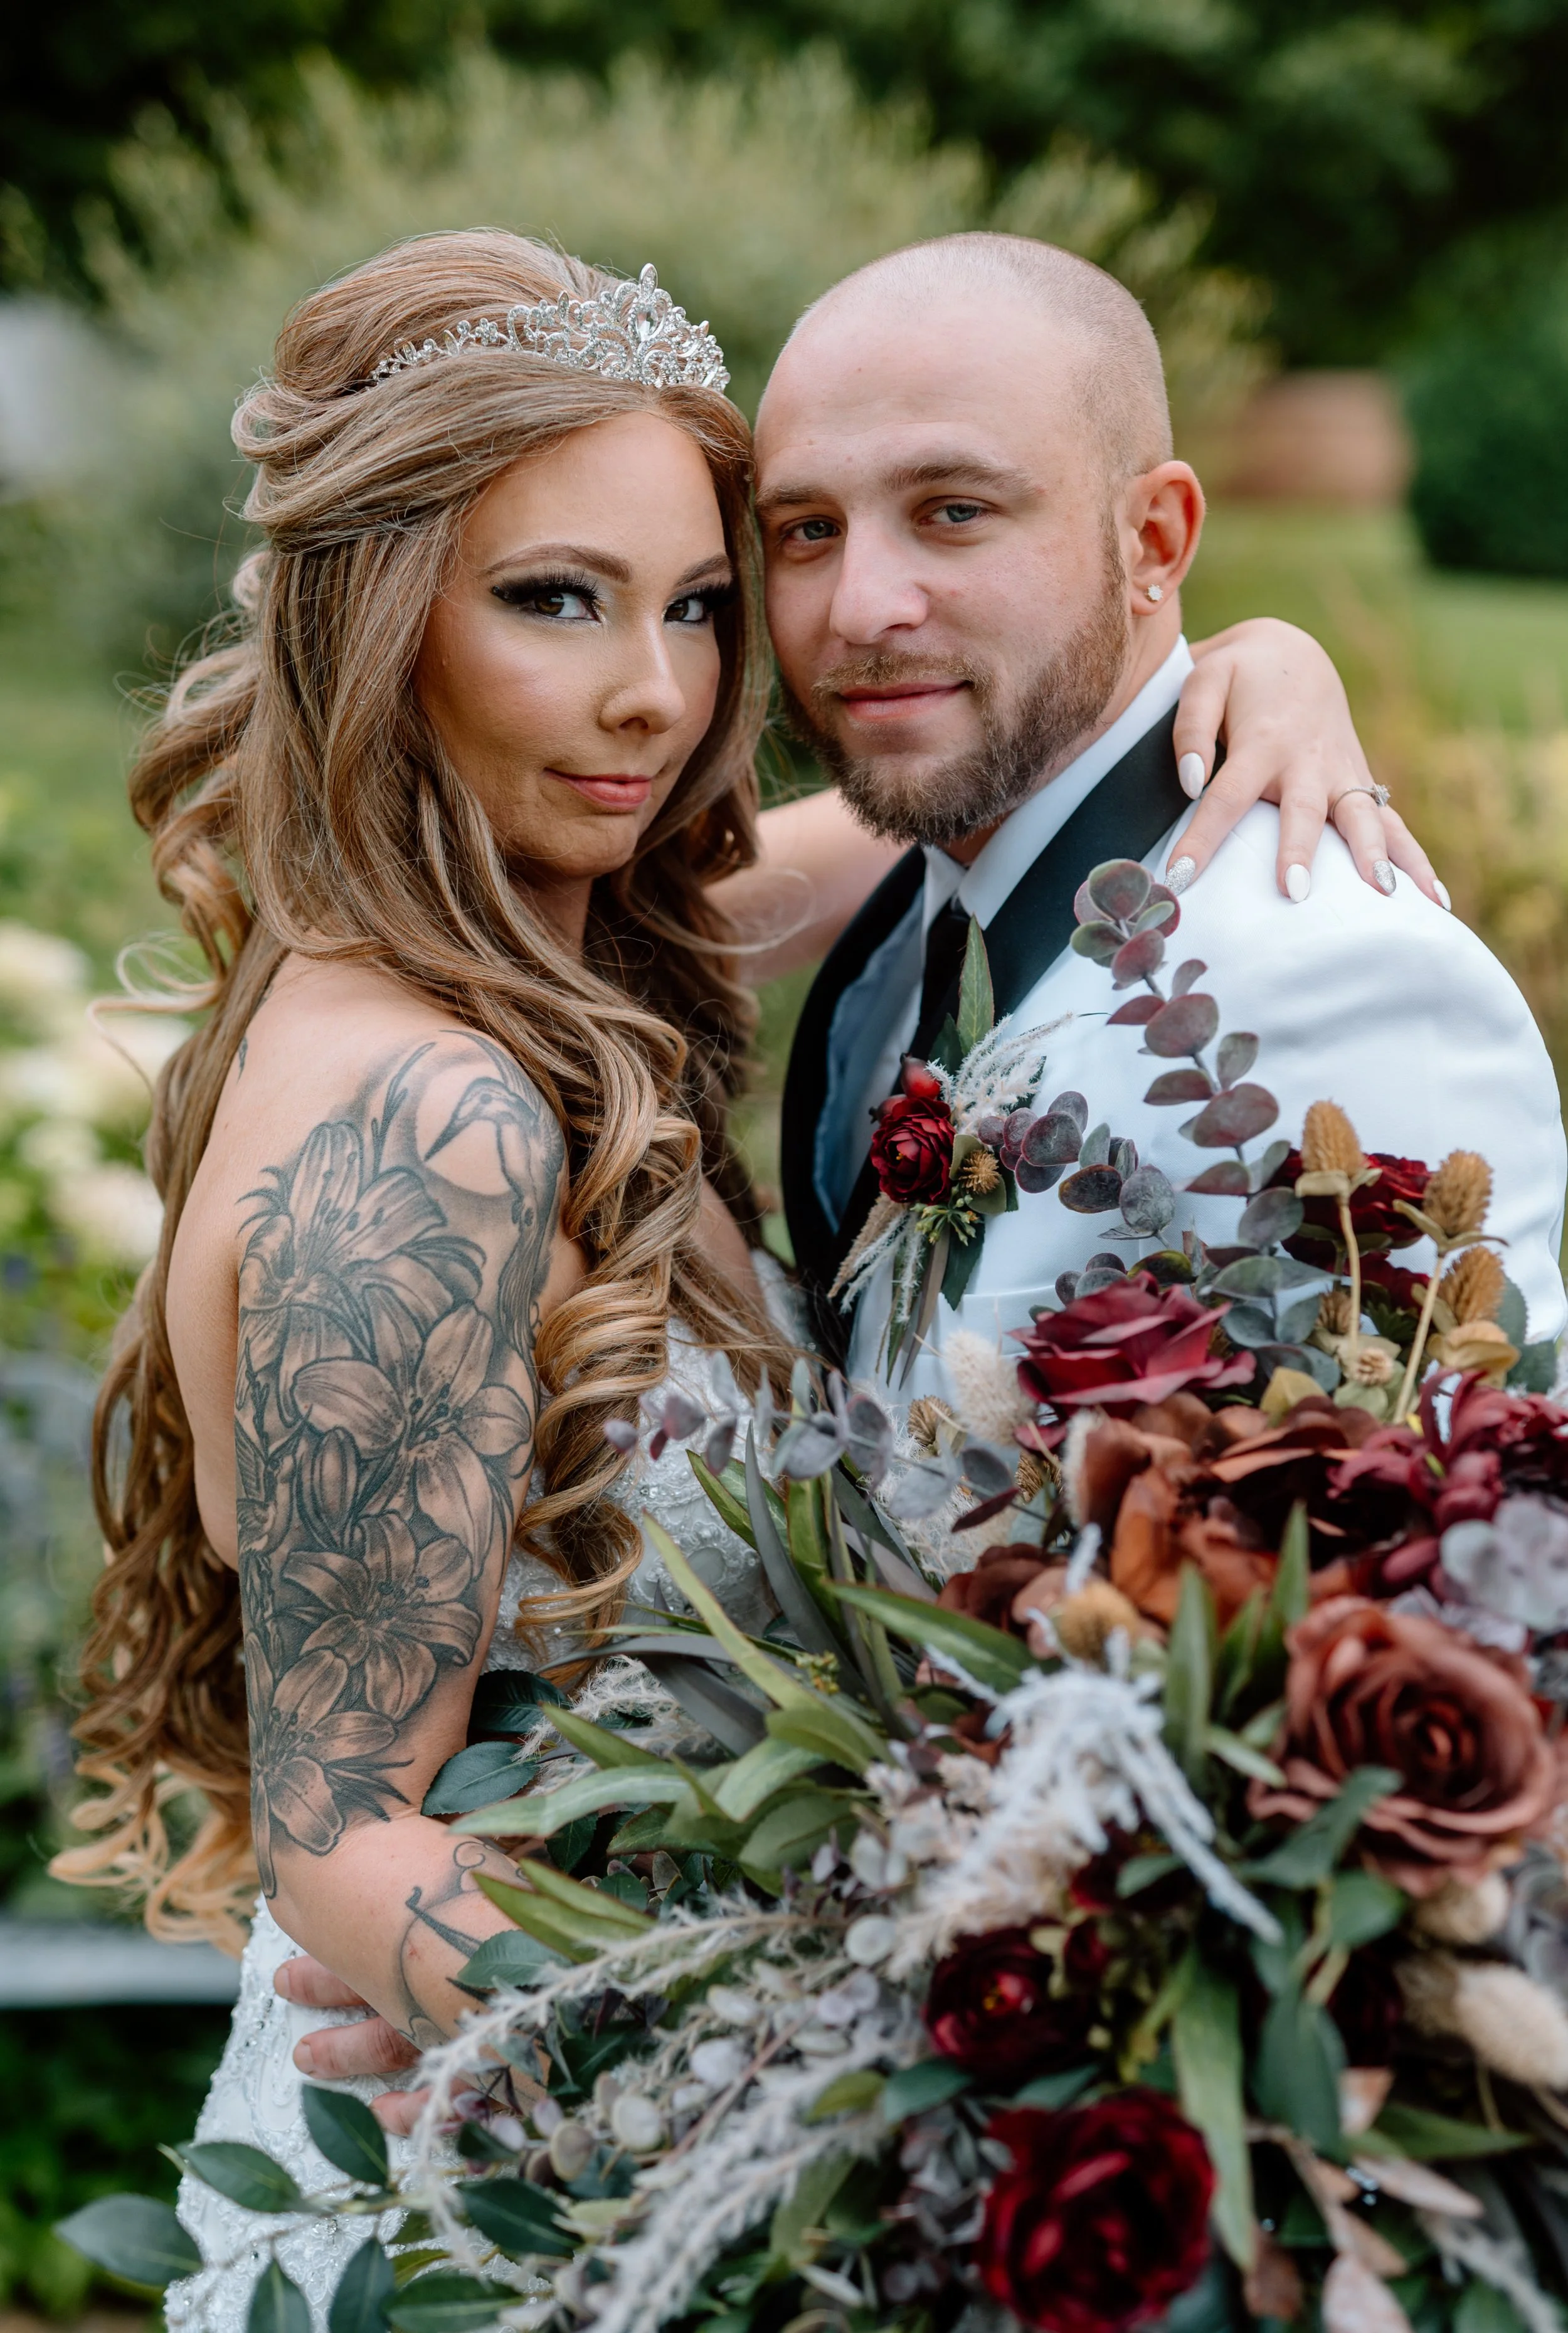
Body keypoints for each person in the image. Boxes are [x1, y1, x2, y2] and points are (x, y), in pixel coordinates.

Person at [56, 228, 1438, 2319]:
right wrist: (789, 2065)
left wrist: (1228, 659)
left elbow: (950, 805)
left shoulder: (517, 956)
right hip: (502, 2183)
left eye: (700, 605)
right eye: (554, 601)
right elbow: (346, 1835)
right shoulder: (422, 1127)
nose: (661, 692)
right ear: (380, 624)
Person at [756, 233, 1567, 1395]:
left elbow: (1438, 1529)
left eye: (955, 510)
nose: (860, 608)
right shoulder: (924, 922)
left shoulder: (1344, 983)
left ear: (1156, 539)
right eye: (809, 530)